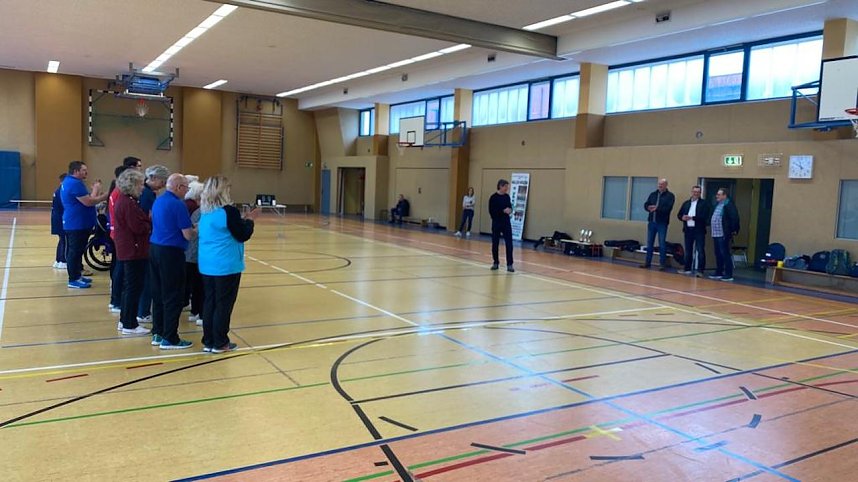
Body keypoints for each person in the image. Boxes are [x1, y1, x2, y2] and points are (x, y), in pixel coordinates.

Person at [199, 175, 258, 353]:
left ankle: (209, 340)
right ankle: (220, 342)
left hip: (207, 264)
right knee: (223, 304)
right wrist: (250, 220)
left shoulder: (206, 211)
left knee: (210, 302)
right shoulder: (228, 211)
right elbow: (242, 234)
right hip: (225, 264)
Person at [149, 173, 195, 349]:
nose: (187, 191)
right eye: (186, 188)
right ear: (178, 187)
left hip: (155, 248)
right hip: (171, 253)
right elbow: (187, 234)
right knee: (173, 295)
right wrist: (196, 230)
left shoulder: (159, 200)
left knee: (159, 293)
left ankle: (158, 333)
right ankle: (171, 337)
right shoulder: (178, 204)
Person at [112, 169, 151, 335]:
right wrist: (149, 223)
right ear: (133, 185)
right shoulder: (128, 203)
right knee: (133, 287)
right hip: (133, 250)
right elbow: (138, 227)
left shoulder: (126, 200)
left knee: (130, 287)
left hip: (129, 249)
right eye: (141, 184)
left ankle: (125, 320)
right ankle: (130, 323)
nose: (142, 188)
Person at [60, 161, 108, 289]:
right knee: (74, 252)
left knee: (78, 251)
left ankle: (77, 275)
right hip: (76, 224)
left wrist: (95, 191)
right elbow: (89, 202)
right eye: (84, 170)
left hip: (79, 223)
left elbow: (87, 200)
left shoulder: (71, 182)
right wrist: (104, 196)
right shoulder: (75, 184)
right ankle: (73, 279)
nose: (86, 172)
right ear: (76, 171)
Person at [137, 164, 170, 324]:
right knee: (148, 277)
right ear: (154, 178)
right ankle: (143, 311)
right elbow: (148, 216)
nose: (164, 185)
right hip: (147, 239)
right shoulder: (147, 194)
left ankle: (142, 309)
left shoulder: (146, 191)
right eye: (162, 181)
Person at [640, 178, 675, 271]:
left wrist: (657, 208)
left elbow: (668, 208)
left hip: (662, 223)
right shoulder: (653, 194)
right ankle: (647, 262)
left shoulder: (670, 196)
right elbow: (646, 204)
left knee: (662, 243)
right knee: (649, 242)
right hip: (652, 222)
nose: (660, 186)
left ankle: (662, 264)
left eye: (662, 184)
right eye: (659, 184)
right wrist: (648, 207)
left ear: (666, 185)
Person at [108, 165, 130, 314]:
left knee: (119, 267)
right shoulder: (119, 194)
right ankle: (116, 301)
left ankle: (115, 300)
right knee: (120, 268)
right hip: (120, 236)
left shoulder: (116, 192)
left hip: (117, 234)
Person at [676, 185, 711, 277]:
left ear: (700, 193)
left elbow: (705, 217)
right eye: (694, 192)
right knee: (688, 250)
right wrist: (682, 217)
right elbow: (679, 214)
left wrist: (692, 218)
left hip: (699, 230)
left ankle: (700, 270)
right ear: (691, 192)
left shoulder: (704, 204)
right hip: (688, 230)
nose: (695, 193)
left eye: (697, 192)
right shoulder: (686, 203)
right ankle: (687, 268)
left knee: (700, 250)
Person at [184, 179, 205, 326]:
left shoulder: (196, 210)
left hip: (189, 253)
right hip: (197, 254)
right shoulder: (201, 212)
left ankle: (194, 311)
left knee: (194, 285)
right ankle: (200, 313)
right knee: (200, 286)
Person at [710, 187, 740, 282]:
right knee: (718, 253)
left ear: (724, 195)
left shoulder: (729, 205)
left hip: (724, 233)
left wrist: (732, 230)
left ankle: (728, 273)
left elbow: (734, 218)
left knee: (725, 253)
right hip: (716, 233)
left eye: (719, 194)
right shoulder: (718, 204)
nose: (717, 196)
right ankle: (719, 271)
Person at [489, 179, 514, 272]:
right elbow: (492, 211)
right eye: (505, 187)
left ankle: (510, 264)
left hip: (506, 223)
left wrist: (510, 210)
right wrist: (502, 211)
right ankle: (495, 262)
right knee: (495, 243)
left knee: (509, 243)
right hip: (496, 223)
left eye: (507, 187)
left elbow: (510, 207)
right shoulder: (493, 197)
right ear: (500, 186)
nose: (507, 189)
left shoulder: (507, 197)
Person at [51, 173, 67, 270]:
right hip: (60, 219)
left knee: (61, 240)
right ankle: (63, 260)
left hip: (56, 218)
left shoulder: (58, 190)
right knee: (64, 240)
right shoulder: (62, 191)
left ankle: (58, 260)